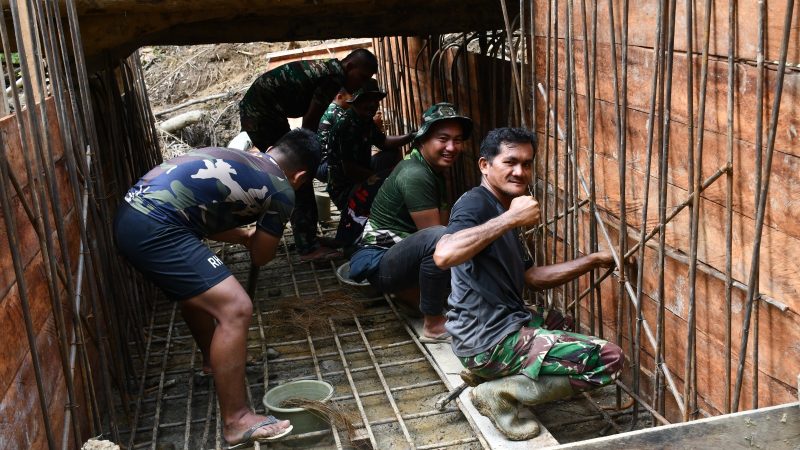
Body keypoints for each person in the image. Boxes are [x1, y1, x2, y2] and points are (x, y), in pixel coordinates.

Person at [114, 129, 320, 448]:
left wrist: (243, 235)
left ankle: (213, 361)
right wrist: (260, 235)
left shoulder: (242, 158)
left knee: (201, 293)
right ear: (301, 177)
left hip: (132, 215)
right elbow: (261, 256)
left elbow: (201, 215)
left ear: (269, 147)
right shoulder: (282, 188)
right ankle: (237, 420)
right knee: (235, 307)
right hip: (156, 228)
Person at [433, 127, 624, 441]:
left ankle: (491, 373)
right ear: (485, 165)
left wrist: (593, 260)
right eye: (510, 162)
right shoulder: (476, 204)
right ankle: (499, 392)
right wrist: (511, 218)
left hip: (497, 324)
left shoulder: (501, 206)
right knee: (609, 359)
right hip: (487, 339)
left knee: (562, 323)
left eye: (527, 163)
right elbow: (444, 254)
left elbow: (532, 278)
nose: (520, 172)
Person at [239, 48, 378, 259]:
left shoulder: (330, 69)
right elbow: (310, 122)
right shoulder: (333, 77)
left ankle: (306, 238)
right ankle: (307, 247)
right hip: (261, 114)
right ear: (349, 66)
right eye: (362, 77)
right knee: (298, 176)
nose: (361, 84)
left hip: (262, 111)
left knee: (295, 175)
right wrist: (310, 158)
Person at [349, 103, 472, 341]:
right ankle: (433, 324)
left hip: (396, 257)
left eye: (457, 140)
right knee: (440, 240)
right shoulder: (416, 174)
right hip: (380, 263)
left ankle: (412, 295)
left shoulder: (428, 167)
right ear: (423, 139)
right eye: (443, 139)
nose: (451, 147)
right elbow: (440, 241)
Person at [318, 78, 415, 249]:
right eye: (366, 100)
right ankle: (346, 237)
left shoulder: (365, 120)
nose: (372, 105)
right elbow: (350, 170)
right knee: (384, 187)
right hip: (345, 186)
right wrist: (383, 180)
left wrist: (411, 136)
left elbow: (383, 142)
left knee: (391, 154)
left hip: (362, 171)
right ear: (355, 102)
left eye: (375, 101)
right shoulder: (346, 126)